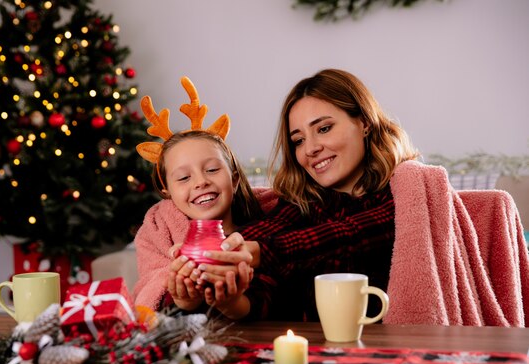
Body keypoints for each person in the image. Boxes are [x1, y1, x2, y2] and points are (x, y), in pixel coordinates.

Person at [201, 68, 529, 325]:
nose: (311, 148)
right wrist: (212, 254)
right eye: (298, 140)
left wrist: (259, 252)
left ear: (365, 123)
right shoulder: (303, 202)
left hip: (399, 352)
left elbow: (346, 234)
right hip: (321, 356)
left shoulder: (407, 191)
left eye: (324, 128)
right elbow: (265, 246)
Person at [132, 76, 277, 320]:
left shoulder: (269, 222)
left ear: (234, 178)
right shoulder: (158, 235)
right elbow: (151, 292)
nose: (201, 182)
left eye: (211, 170)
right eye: (183, 178)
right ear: (167, 191)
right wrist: (182, 296)